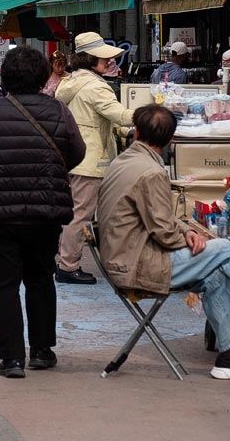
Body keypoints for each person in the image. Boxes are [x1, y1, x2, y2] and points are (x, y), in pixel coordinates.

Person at [98, 105, 230, 379]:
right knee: (223, 248)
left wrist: (187, 231)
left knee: (215, 276)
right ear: (171, 141)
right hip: (137, 264)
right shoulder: (151, 172)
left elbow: (159, 219)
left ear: (137, 132)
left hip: (127, 256)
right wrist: (186, 237)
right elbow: (163, 230)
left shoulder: (126, 161)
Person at [0, 47, 86, 378]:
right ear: (43, 77)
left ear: (7, 77)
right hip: (44, 211)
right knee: (40, 278)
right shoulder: (57, 111)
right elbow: (77, 151)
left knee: (3, 284)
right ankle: (42, 350)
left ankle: (11, 358)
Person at [53, 32, 134, 285]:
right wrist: (155, 114)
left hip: (77, 157)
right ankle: (68, 265)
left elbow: (100, 120)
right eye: (102, 58)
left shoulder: (73, 82)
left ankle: (66, 260)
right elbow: (119, 115)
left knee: (76, 212)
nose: (108, 62)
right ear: (88, 59)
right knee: (81, 214)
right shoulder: (96, 86)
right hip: (92, 161)